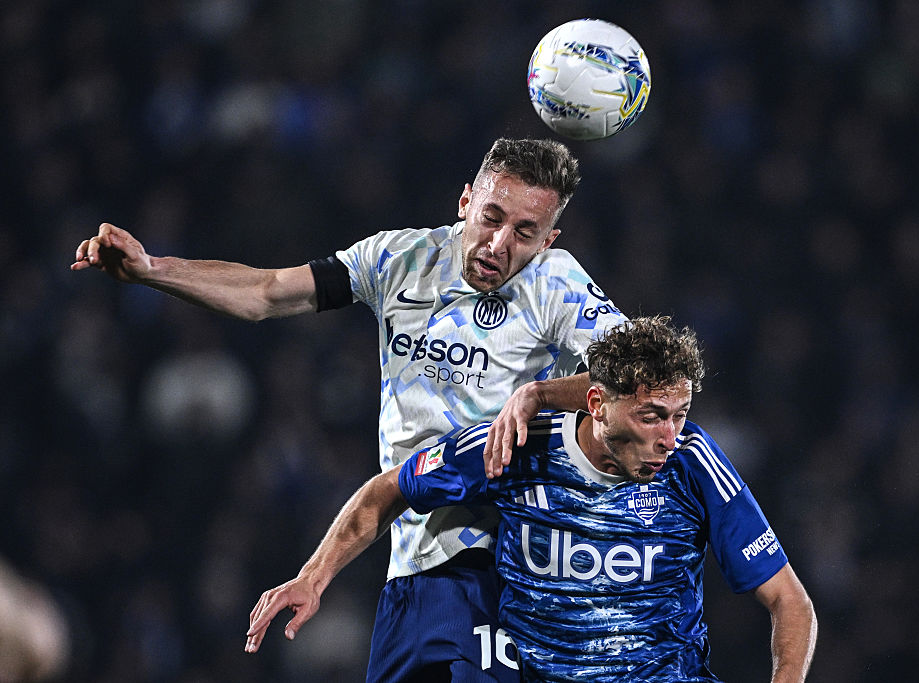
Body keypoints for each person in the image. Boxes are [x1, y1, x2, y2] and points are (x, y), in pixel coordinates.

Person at [71, 138, 628, 681]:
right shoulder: (399, 259)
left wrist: (539, 395)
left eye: (524, 233)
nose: (499, 244)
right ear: (465, 202)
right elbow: (267, 291)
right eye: (491, 218)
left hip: (511, 563)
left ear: (548, 240)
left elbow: (639, 378)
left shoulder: (555, 282)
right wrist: (153, 269)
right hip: (411, 562)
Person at [245, 316, 818, 682]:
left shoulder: (694, 463)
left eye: (679, 414)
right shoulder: (518, 446)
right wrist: (313, 577)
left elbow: (790, 602)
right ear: (597, 403)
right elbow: (389, 489)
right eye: (651, 416)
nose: (669, 436)